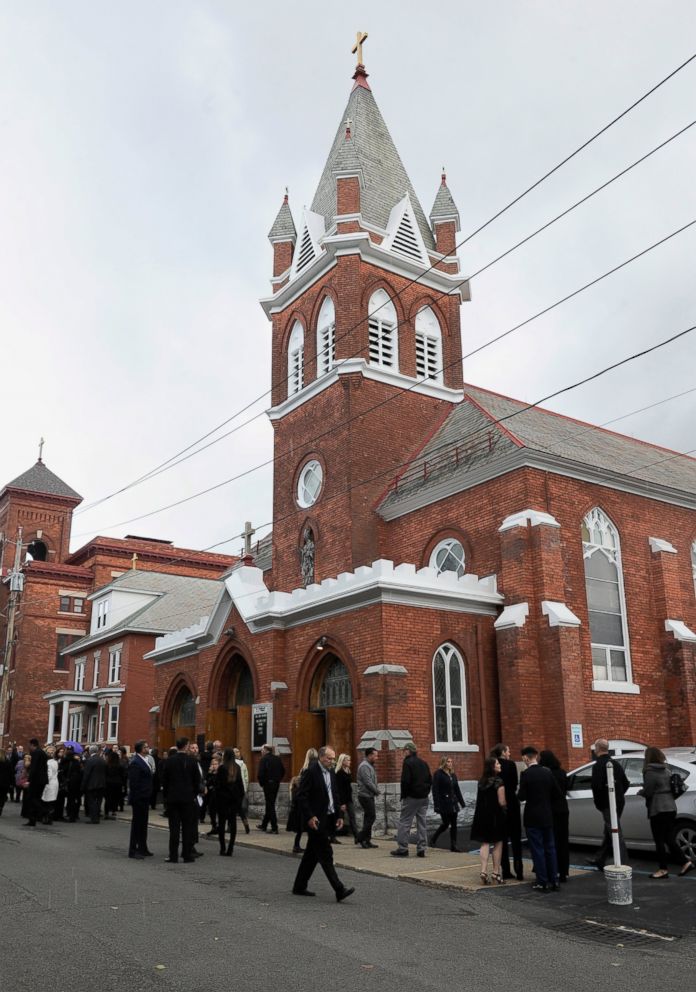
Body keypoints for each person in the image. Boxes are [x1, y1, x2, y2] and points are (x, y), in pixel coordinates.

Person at [291, 745, 354, 902]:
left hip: (328, 818)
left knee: (311, 855)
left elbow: (335, 794)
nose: (331, 761)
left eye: (333, 758)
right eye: (329, 758)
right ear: (321, 757)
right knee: (325, 853)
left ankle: (299, 886)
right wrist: (310, 816)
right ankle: (339, 889)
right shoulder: (311, 772)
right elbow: (301, 796)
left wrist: (339, 815)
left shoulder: (331, 772)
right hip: (316, 820)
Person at [641, 745, 694, 878]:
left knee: (659, 840)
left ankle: (663, 869)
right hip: (671, 807)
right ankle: (685, 862)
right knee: (669, 838)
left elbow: (648, 791)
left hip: (658, 809)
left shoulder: (650, 772)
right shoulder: (667, 770)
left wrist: (640, 792)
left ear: (648, 757)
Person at [518, 745, 561, 892]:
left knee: (538, 849)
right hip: (547, 814)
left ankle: (542, 881)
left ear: (525, 758)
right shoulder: (547, 772)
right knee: (550, 848)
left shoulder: (526, 775)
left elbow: (521, 796)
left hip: (532, 816)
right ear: (536, 756)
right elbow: (556, 793)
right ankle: (554, 879)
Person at [589, 738, 629, 869]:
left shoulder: (598, 765)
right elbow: (626, 783)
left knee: (615, 831)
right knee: (610, 830)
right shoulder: (615, 764)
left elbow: (596, 786)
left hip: (607, 803)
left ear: (597, 749)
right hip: (619, 801)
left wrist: (600, 803)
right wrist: (619, 794)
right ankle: (600, 859)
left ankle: (623, 862)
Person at [161, 737, 202, 863]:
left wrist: (167, 796)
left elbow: (165, 781)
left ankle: (173, 855)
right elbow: (197, 782)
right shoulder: (192, 761)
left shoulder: (169, 761)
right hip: (188, 799)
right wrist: (193, 794)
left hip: (173, 799)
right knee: (187, 828)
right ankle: (186, 854)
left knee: (174, 829)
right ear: (186, 746)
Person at [390, 742, 432, 858]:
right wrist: (426, 791)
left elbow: (405, 781)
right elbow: (429, 779)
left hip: (412, 797)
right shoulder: (424, 763)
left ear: (408, 751)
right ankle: (422, 848)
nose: (404, 753)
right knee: (422, 823)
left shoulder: (407, 762)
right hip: (424, 797)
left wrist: (404, 795)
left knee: (404, 822)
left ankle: (403, 848)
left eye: (404, 751)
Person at [470, 755, 507, 884]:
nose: (500, 765)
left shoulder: (481, 781)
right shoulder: (499, 781)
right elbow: (501, 802)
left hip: (482, 815)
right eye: (497, 764)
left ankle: (483, 870)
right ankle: (496, 872)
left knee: (485, 842)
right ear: (492, 766)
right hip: (495, 815)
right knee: (498, 842)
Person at [491, 743, 524, 881]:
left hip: (499, 805)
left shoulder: (494, 765)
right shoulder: (511, 765)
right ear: (503, 752)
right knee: (516, 839)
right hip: (512, 802)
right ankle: (519, 871)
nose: (509, 753)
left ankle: (506, 870)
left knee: (502, 839)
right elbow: (515, 783)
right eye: (508, 750)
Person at [539, 749, 569, 883]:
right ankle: (564, 871)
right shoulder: (562, 773)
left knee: (551, 842)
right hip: (563, 809)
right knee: (563, 841)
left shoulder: (546, 774)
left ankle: (553, 870)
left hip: (550, 810)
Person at [430, 756, 466, 852]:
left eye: (451, 762)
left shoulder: (452, 774)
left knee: (454, 824)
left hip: (453, 803)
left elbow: (457, 789)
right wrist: (436, 805)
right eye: (448, 762)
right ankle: (433, 839)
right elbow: (435, 790)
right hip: (443, 803)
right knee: (446, 823)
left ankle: (453, 845)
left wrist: (461, 802)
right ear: (444, 763)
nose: (450, 763)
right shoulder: (438, 774)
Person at [287, 748, 318, 853]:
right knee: (311, 825)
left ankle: (297, 845)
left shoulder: (304, 768)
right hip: (310, 801)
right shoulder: (315, 768)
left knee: (301, 828)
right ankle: (311, 847)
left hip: (302, 802)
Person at [215, 748, 245, 856]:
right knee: (233, 824)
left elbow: (217, 785)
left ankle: (222, 848)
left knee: (222, 824)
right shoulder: (237, 767)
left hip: (223, 799)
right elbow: (240, 785)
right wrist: (239, 799)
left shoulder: (222, 768)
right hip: (234, 799)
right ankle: (230, 848)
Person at [127, 740, 154, 859]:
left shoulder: (145, 760)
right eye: (146, 747)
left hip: (145, 797)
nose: (148, 748)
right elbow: (134, 783)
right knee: (137, 825)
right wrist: (137, 798)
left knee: (143, 824)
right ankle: (133, 850)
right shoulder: (135, 763)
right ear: (141, 749)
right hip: (139, 798)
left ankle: (143, 847)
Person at [257, 743, 285, 833]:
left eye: (262, 750)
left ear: (266, 750)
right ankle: (264, 825)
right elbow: (283, 770)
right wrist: (278, 779)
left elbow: (260, 773)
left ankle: (274, 827)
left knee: (270, 805)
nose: (261, 751)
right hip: (276, 784)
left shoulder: (264, 759)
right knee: (270, 803)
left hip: (268, 784)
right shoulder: (277, 759)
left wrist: (262, 783)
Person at [355, 747, 380, 849]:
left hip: (369, 795)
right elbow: (368, 782)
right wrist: (376, 791)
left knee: (368, 818)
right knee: (371, 816)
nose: (377, 758)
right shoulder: (364, 766)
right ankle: (360, 837)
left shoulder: (369, 765)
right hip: (365, 796)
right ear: (369, 755)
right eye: (375, 755)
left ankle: (367, 840)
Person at [23, 739, 48, 827]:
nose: (28, 747)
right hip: (42, 780)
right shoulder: (42, 752)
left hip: (36, 780)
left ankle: (44, 811)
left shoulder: (36, 753)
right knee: (36, 798)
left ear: (33, 745)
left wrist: (28, 781)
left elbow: (34, 768)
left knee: (31, 798)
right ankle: (32, 820)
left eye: (29, 745)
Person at [335, 753, 358, 842]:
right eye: (348, 760)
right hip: (342, 800)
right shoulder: (339, 773)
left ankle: (357, 837)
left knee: (352, 817)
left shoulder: (347, 771)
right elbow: (340, 789)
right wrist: (342, 803)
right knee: (339, 817)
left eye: (349, 760)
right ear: (343, 761)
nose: (349, 762)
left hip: (349, 798)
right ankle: (331, 835)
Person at [82, 745, 107, 823]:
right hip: (102, 784)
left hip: (91, 784)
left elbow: (86, 774)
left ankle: (93, 818)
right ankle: (97, 817)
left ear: (90, 751)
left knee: (92, 802)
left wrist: (83, 786)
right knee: (98, 802)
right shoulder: (103, 760)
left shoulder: (89, 760)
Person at [233, 747, 251, 834]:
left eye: (238, 751)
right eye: (235, 752)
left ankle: (230, 827)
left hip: (234, 789)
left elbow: (246, 777)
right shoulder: (243, 764)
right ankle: (246, 824)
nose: (237, 753)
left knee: (231, 809)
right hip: (241, 789)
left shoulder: (233, 764)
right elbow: (246, 778)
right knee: (240, 808)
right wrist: (245, 788)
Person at [41, 745, 59, 824]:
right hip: (54, 783)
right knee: (51, 802)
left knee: (46, 802)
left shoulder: (48, 763)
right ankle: (49, 818)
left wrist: (44, 783)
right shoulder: (55, 762)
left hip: (49, 783)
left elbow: (49, 775)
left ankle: (46, 818)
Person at [64, 747, 83, 821]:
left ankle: (70, 815)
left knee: (70, 800)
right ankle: (75, 815)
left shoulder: (67, 762)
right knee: (75, 799)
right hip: (77, 783)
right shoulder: (77, 763)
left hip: (70, 783)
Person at [105, 749, 124, 818]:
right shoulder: (120, 766)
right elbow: (123, 775)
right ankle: (113, 811)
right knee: (115, 798)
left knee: (108, 798)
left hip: (108, 783)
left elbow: (105, 774)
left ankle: (106, 812)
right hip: (117, 783)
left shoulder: (107, 765)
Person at [0, 749, 13, 815]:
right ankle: (1, 806)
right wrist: (11, 782)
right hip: (5, 782)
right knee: (3, 796)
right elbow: (11, 773)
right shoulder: (8, 761)